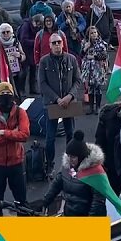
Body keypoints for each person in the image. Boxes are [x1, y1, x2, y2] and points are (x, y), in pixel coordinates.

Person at [37, 131, 121, 217]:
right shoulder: (67, 167)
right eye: (68, 156)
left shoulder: (95, 174)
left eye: (73, 157)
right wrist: (44, 203)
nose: (70, 159)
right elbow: (55, 186)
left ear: (81, 156)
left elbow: (97, 205)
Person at [38, 32, 82, 176]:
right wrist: (57, 99)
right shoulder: (44, 61)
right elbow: (42, 84)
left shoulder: (72, 59)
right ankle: (49, 165)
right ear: (49, 46)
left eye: (59, 42)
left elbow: (78, 80)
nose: (57, 45)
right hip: (52, 104)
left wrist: (69, 96)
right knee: (50, 137)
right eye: (54, 43)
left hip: (69, 103)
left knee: (71, 135)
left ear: (63, 43)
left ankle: (71, 164)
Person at [0, 82, 31, 203]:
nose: (5, 95)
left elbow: (25, 135)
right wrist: (14, 133)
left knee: (21, 200)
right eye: (2, 93)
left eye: (8, 93)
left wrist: (4, 133)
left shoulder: (21, 112)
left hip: (17, 162)